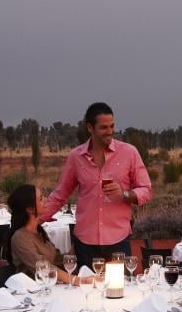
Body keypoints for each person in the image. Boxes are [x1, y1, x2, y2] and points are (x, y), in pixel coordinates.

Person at [44, 102, 152, 271]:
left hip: (118, 241)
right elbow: (60, 194)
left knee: (120, 294)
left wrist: (124, 194)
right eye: (103, 127)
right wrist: (34, 219)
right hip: (85, 243)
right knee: (85, 293)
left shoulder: (129, 153)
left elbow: (146, 190)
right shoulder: (76, 157)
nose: (109, 132)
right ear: (90, 127)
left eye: (112, 126)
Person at [8, 184, 72, 282]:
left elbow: (57, 259)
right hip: (31, 292)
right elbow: (44, 269)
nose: (46, 200)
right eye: (41, 198)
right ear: (30, 209)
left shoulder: (39, 231)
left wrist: (79, 243)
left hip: (48, 287)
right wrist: (78, 280)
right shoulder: (20, 237)